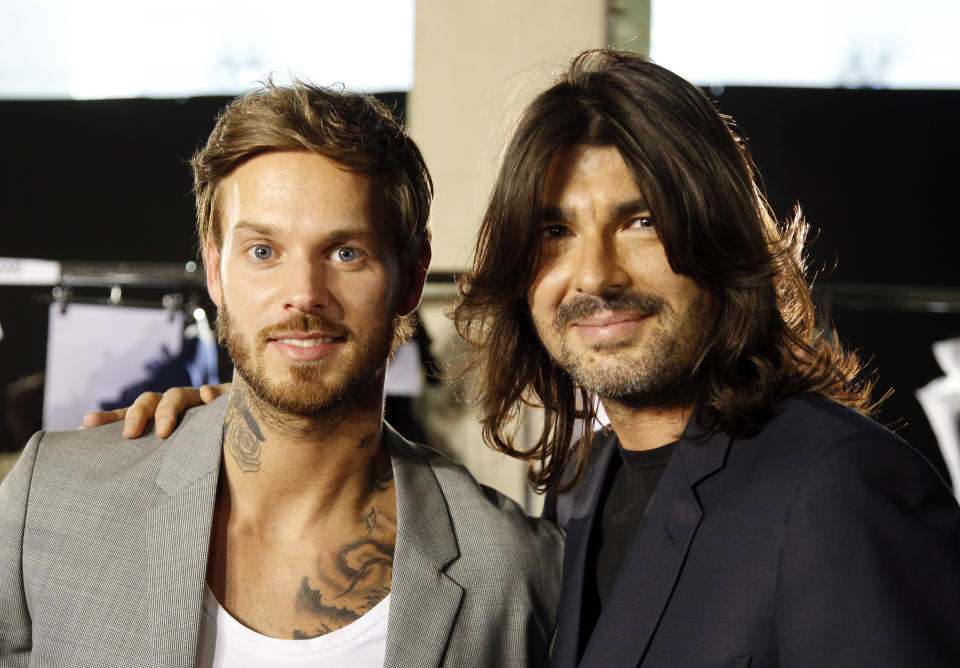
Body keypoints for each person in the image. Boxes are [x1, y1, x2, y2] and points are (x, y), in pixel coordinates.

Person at [88, 51, 960, 667]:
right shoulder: (585, 490)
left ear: (718, 233)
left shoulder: (840, 488)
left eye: (643, 220)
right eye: (554, 232)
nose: (595, 276)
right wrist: (238, 429)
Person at [0, 81, 561, 667]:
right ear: (216, 271)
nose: (304, 295)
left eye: (345, 252)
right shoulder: (55, 499)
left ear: (412, 276)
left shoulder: (513, 568)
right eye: (264, 251)